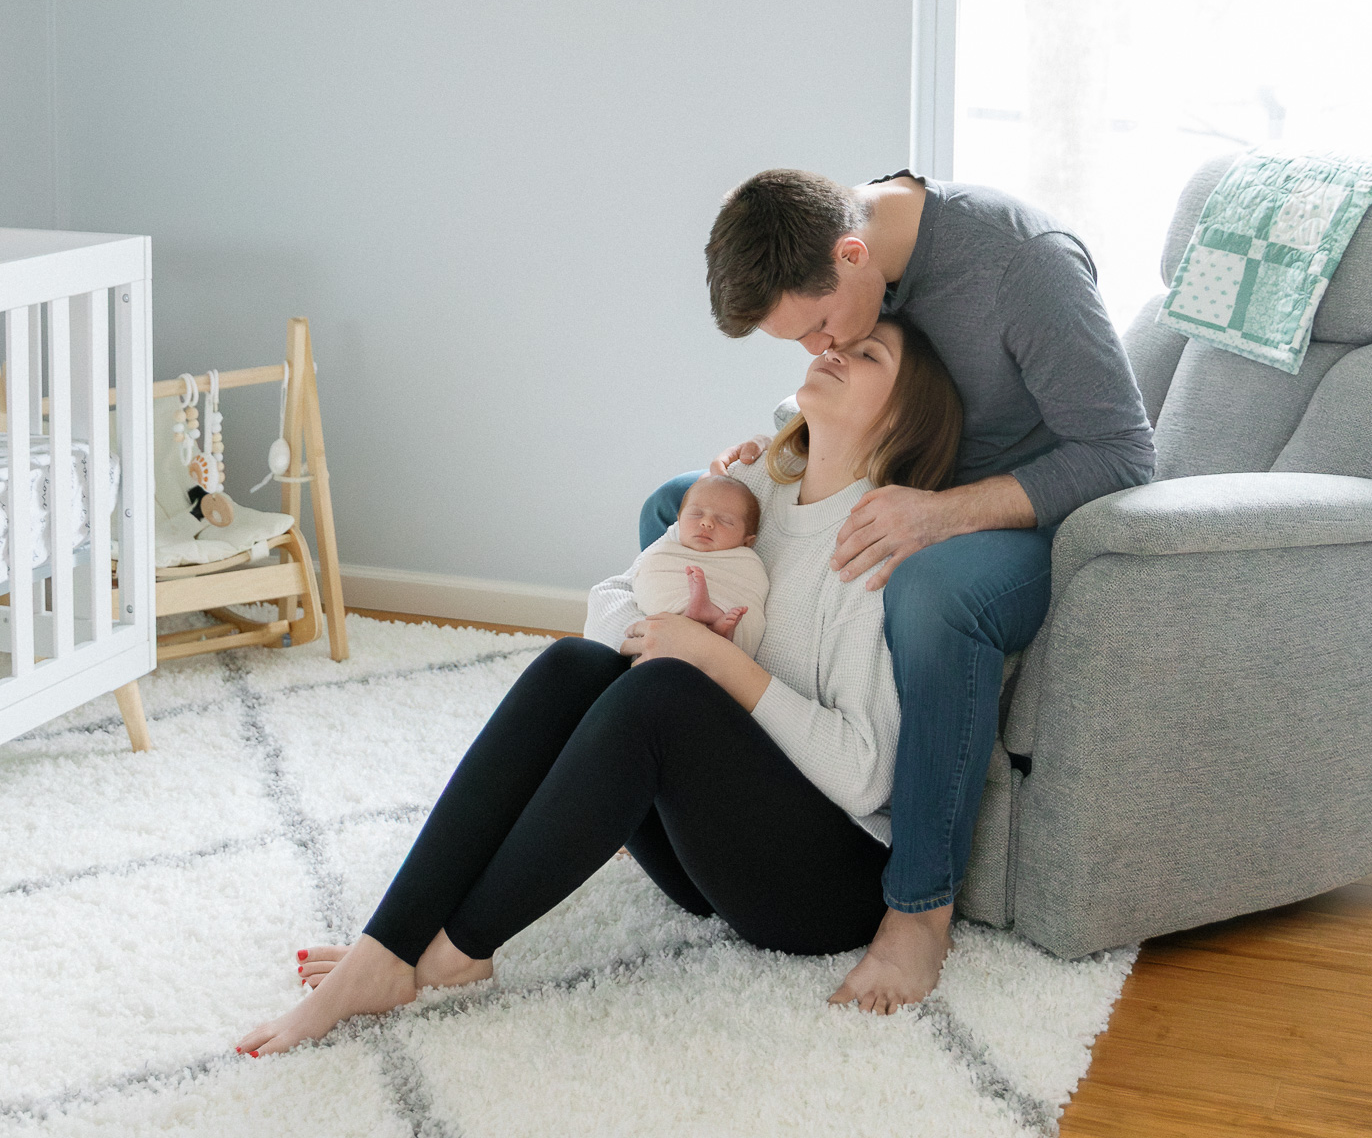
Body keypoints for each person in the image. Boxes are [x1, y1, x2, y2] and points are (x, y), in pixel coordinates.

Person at [236, 315, 963, 1057]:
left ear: (906, 414)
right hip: (704, 854)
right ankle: (385, 951)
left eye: (868, 353)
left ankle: (458, 951)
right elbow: (611, 600)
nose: (835, 348)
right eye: (843, 340)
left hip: (814, 891)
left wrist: (715, 663)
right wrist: (662, 636)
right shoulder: (750, 487)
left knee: (664, 695)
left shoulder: (877, 542)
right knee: (574, 664)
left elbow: (865, 773)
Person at [641, 168, 1155, 1012]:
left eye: (814, 328)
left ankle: (918, 908)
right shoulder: (837, 241)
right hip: (900, 483)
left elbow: (1122, 454)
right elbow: (854, 394)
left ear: (852, 256)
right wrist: (770, 459)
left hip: (1022, 523)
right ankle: (712, 786)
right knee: (679, 506)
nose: (817, 350)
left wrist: (944, 514)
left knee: (929, 589)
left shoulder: (1020, 265)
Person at [634, 475, 767, 656]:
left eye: (725, 521)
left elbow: (751, 600)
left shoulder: (745, 562)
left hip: (715, 664)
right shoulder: (665, 551)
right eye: (696, 514)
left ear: (747, 541)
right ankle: (699, 621)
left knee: (735, 623)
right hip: (664, 637)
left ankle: (714, 626)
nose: (706, 523)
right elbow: (647, 578)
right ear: (678, 520)